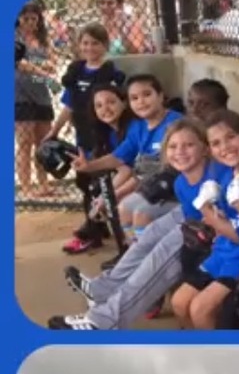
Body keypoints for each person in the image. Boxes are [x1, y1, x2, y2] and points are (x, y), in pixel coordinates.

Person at [49, 118, 227, 330]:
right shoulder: (182, 182)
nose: (180, 151)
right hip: (194, 218)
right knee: (152, 232)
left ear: (205, 149)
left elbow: (223, 222)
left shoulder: (216, 177)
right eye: (173, 146)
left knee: (166, 250)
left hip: (220, 232)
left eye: (189, 145)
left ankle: (106, 320)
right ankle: (103, 289)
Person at [171, 110, 239, 329]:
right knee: (179, 302)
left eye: (231, 137)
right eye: (216, 143)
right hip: (226, 250)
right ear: (209, 149)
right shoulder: (225, 174)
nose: (225, 147)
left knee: (201, 309)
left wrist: (237, 206)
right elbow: (223, 226)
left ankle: (220, 359)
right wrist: (211, 214)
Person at [72, 74, 183, 252]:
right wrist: (88, 166)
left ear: (161, 96)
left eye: (147, 94)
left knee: (140, 212)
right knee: (124, 208)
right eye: (134, 98)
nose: (141, 102)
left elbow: (158, 171)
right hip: (155, 186)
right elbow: (119, 157)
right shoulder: (138, 127)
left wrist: (114, 194)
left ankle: (144, 261)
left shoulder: (175, 124)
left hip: (175, 189)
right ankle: (129, 254)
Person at [61, 82, 135, 254]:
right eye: (99, 105)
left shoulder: (133, 128)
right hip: (128, 176)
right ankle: (94, 231)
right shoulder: (107, 132)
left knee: (110, 195)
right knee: (92, 183)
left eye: (111, 102)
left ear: (123, 102)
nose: (105, 109)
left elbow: (129, 170)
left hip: (138, 179)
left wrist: (106, 195)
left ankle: (124, 248)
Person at [15, 0, 58, 198]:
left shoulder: (42, 40)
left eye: (34, 19)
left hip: (41, 93)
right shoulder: (14, 38)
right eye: (26, 18)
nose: (31, 23)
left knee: (43, 141)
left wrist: (39, 68)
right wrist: (41, 69)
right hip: (19, 93)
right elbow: (20, 64)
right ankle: (26, 186)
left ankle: (44, 182)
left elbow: (52, 62)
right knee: (25, 142)